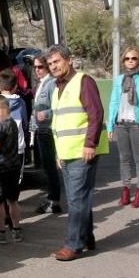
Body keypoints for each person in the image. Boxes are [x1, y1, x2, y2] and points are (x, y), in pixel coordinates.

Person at [46, 44, 108, 262]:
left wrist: (90, 144)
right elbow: (58, 123)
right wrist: (58, 153)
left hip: (83, 150)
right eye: (50, 63)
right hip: (67, 152)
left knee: (76, 199)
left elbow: (96, 113)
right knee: (80, 197)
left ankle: (74, 243)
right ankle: (87, 236)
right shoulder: (56, 88)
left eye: (57, 61)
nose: (53, 66)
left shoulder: (83, 81)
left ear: (68, 60)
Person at [107, 46, 139, 208]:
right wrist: (110, 126)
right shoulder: (119, 79)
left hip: (138, 125)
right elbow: (113, 102)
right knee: (124, 159)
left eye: (133, 58)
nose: (130, 61)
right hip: (121, 124)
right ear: (123, 61)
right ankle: (126, 191)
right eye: (127, 58)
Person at [0, 95, 24, 244]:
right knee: (13, 200)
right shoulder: (13, 123)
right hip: (13, 166)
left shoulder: (1, 125)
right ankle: (16, 231)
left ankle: (1, 233)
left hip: (0, 169)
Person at [31, 54, 62, 214]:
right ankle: (51, 199)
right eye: (35, 67)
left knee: (51, 168)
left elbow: (58, 106)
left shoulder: (51, 84)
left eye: (40, 67)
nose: (37, 70)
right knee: (47, 167)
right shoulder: (41, 84)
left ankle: (54, 201)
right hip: (40, 130)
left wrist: (47, 114)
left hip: (48, 130)